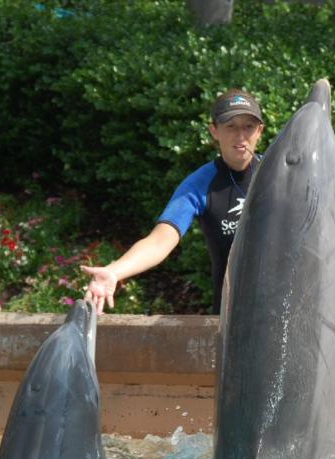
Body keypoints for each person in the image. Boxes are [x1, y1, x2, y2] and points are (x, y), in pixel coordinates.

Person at [83, 89, 265, 314]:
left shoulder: (281, 174)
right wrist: (115, 271)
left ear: (260, 131)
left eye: (248, 126)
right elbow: (159, 241)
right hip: (233, 317)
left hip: (288, 311)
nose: (240, 135)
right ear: (214, 131)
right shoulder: (199, 185)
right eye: (230, 126)